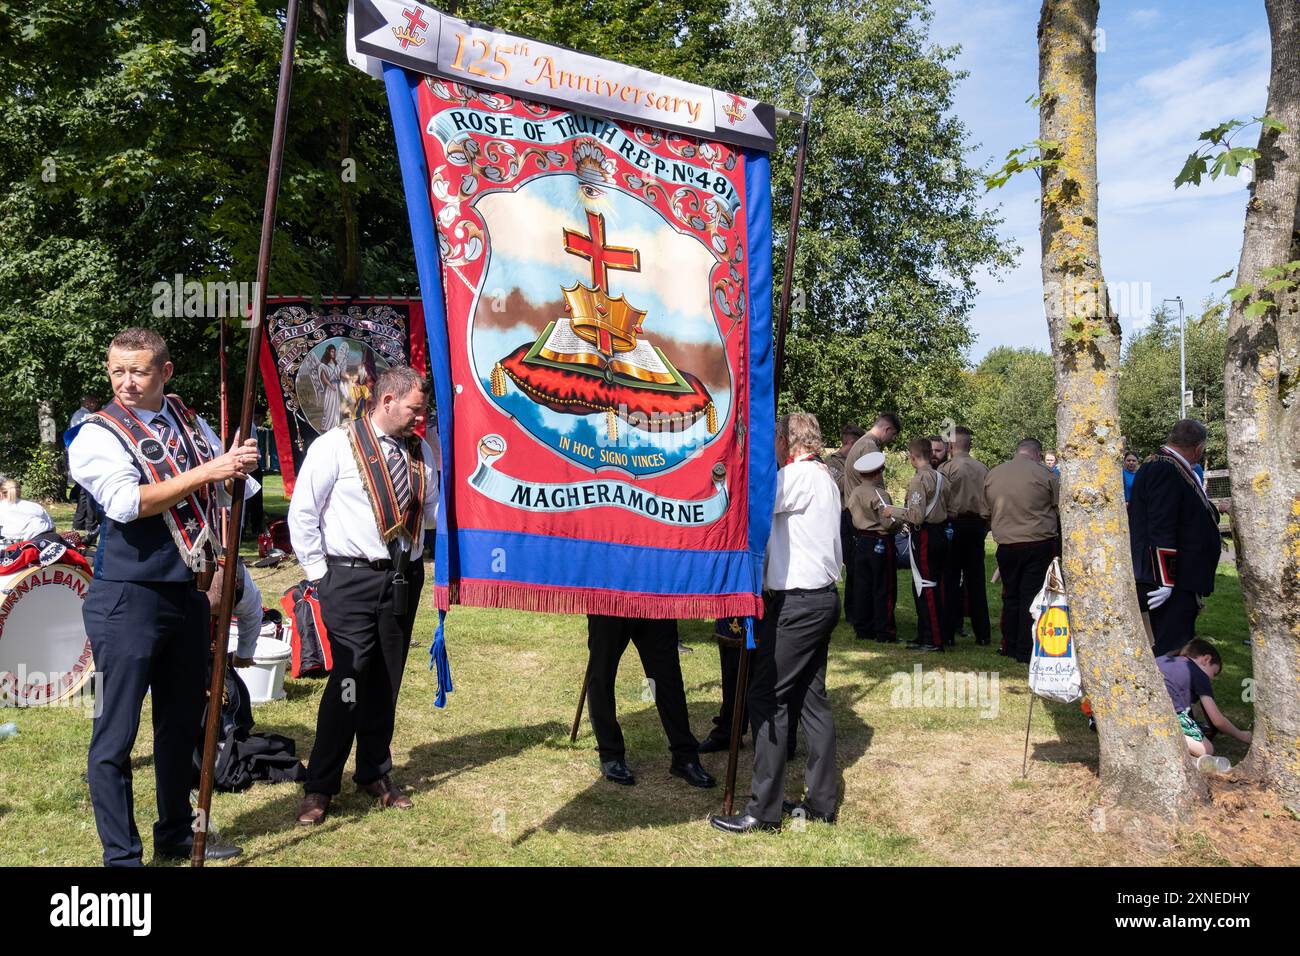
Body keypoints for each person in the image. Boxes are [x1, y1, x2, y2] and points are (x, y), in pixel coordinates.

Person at [68, 327, 260, 866]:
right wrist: (209, 470)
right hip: (128, 598)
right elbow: (128, 503)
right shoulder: (96, 433)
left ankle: (176, 832)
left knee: (180, 725)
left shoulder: (185, 416)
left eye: (140, 371)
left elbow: (230, 485)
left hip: (189, 595)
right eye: (117, 372)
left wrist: (237, 467)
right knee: (116, 736)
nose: (126, 383)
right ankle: (122, 859)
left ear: (165, 373)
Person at [289, 365, 439, 825]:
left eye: (424, 409)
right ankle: (321, 786)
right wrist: (320, 577)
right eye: (415, 409)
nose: (421, 417)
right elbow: (302, 514)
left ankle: (374, 772)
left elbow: (431, 512)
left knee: (385, 680)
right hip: (347, 579)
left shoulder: (422, 451)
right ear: (387, 400)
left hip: (401, 578)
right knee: (348, 683)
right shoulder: (335, 445)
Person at [710, 412, 841, 833]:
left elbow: (753, 505)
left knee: (766, 698)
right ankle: (821, 801)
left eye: (776, 440)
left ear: (788, 441)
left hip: (798, 603)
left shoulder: (798, 477)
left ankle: (762, 810)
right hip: (819, 599)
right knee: (810, 699)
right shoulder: (823, 477)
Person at [583, 614, 714, 788]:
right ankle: (610, 753)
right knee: (601, 674)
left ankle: (684, 755)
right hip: (609, 595)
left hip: (654, 595)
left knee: (667, 675)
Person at [1128, 419, 1222, 657]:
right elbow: (1162, 525)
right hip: (1172, 577)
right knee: (1172, 641)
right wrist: (1166, 579)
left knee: (1178, 634)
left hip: (1179, 574)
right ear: (1199, 447)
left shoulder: (1169, 465)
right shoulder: (1164, 468)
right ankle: (1173, 689)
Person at [983, 438, 1059, 663]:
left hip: (1007, 544)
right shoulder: (1046, 475)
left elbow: (985, 509)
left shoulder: (994, 474)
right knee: (1032, 596)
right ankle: (1026, 649)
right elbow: (1058, 507)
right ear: (1037, 454)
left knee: (1011, 595)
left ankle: (1009, 644)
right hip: (1038, 542)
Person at [885, 438, 949, 652]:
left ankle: (932, 638)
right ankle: (929, 634)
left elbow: (915, 516)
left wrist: (891, 511)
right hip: (940, 533)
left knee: (926, 586)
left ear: (912, 457)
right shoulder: (941, 477)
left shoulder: (918, 481)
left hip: (925, 536)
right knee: (934, 584)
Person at [1156, 639, 1251, 757]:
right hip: (1164, 712)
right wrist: (1240, 734)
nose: (1211, 679)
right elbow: (1217, 720)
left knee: (1193, 711)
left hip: (1148, 702)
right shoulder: (1199, 674)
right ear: (1206, 659)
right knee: (1206, 749)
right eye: (1214, 673)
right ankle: (1161, 732)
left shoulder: (1164, 659)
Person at [940, 426, 991, 646]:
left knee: (950, 579)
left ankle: (949, 632)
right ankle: (983, 633)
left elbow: (940, 499)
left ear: (951, 445)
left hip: (954, 525)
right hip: (977, 526)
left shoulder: (946, 468)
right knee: (976, 580)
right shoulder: (984, 469)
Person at [845, 451, 900, 642]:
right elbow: (889, 522)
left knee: (862, 586)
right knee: (883, 587)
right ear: (879, 472)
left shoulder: (855, 492)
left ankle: (863, 627)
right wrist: (899, 523)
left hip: (861, 541)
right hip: (880, 541)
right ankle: (884, 630)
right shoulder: (879, 494)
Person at [825, 424, 865, 623]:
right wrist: (855, 471)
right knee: (846, 563)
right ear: (848, 443)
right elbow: (836, 486)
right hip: (840, 516)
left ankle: (856, 609)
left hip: (857, 516)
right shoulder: (832, 462)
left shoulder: (856, 462)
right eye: (857, 445)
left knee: (857, 565)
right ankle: (848, 609)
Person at [840, 412, 902, 506]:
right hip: (863, 513)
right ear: (887, 429)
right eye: (893, 434)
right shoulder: (869, 446)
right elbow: (876, 485)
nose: (893, 439)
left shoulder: (863, 442)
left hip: (855, 508)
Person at [68, 395, 101, 531]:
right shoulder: (83, 416)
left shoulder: (83, 415)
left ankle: (79, 523)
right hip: (87, 457)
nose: (95, 404)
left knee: (84, 493)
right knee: (90, 493)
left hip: (84, 457)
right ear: (87, 403)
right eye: (93, 402)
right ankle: (90, 524)